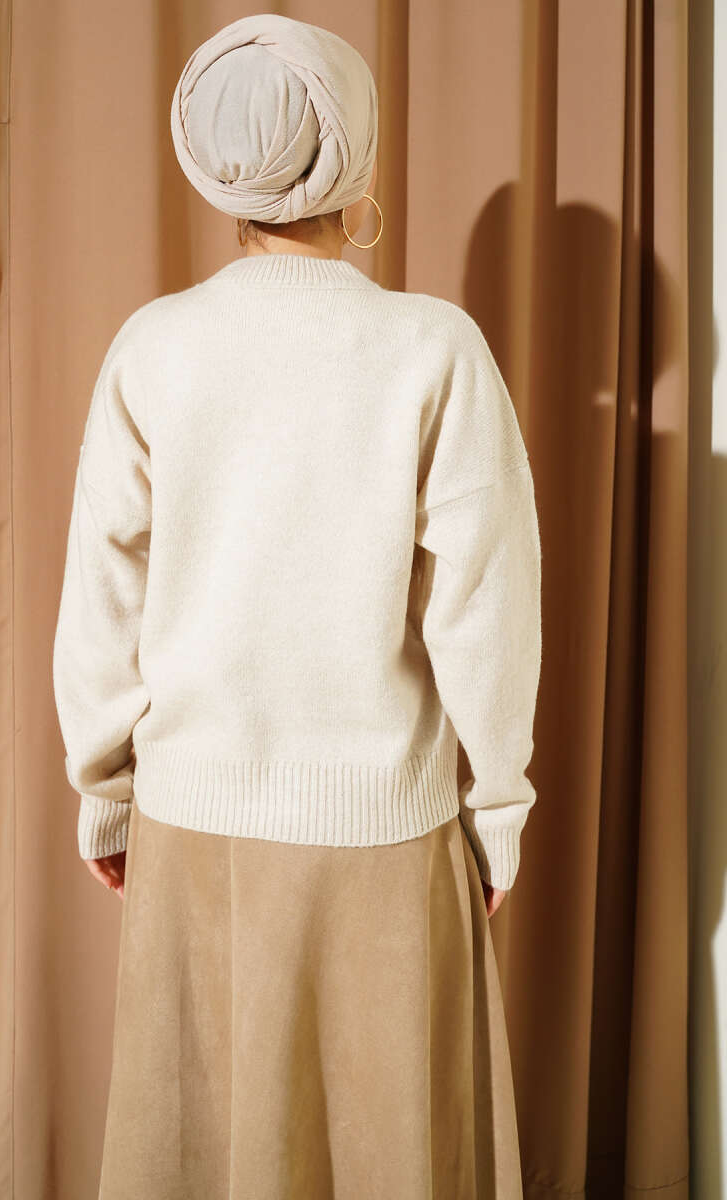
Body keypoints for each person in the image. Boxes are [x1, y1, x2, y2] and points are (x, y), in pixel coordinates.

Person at [52, 13, 541, 1199]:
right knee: (389, 1156)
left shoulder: (153, 346)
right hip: (385, 833)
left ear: (211, 165)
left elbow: (103, 587)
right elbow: (485, 605)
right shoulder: (433, 347)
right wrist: (495, 811)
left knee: (199, 1154)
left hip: (193, 825)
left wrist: (106, 788)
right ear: (354, 150)